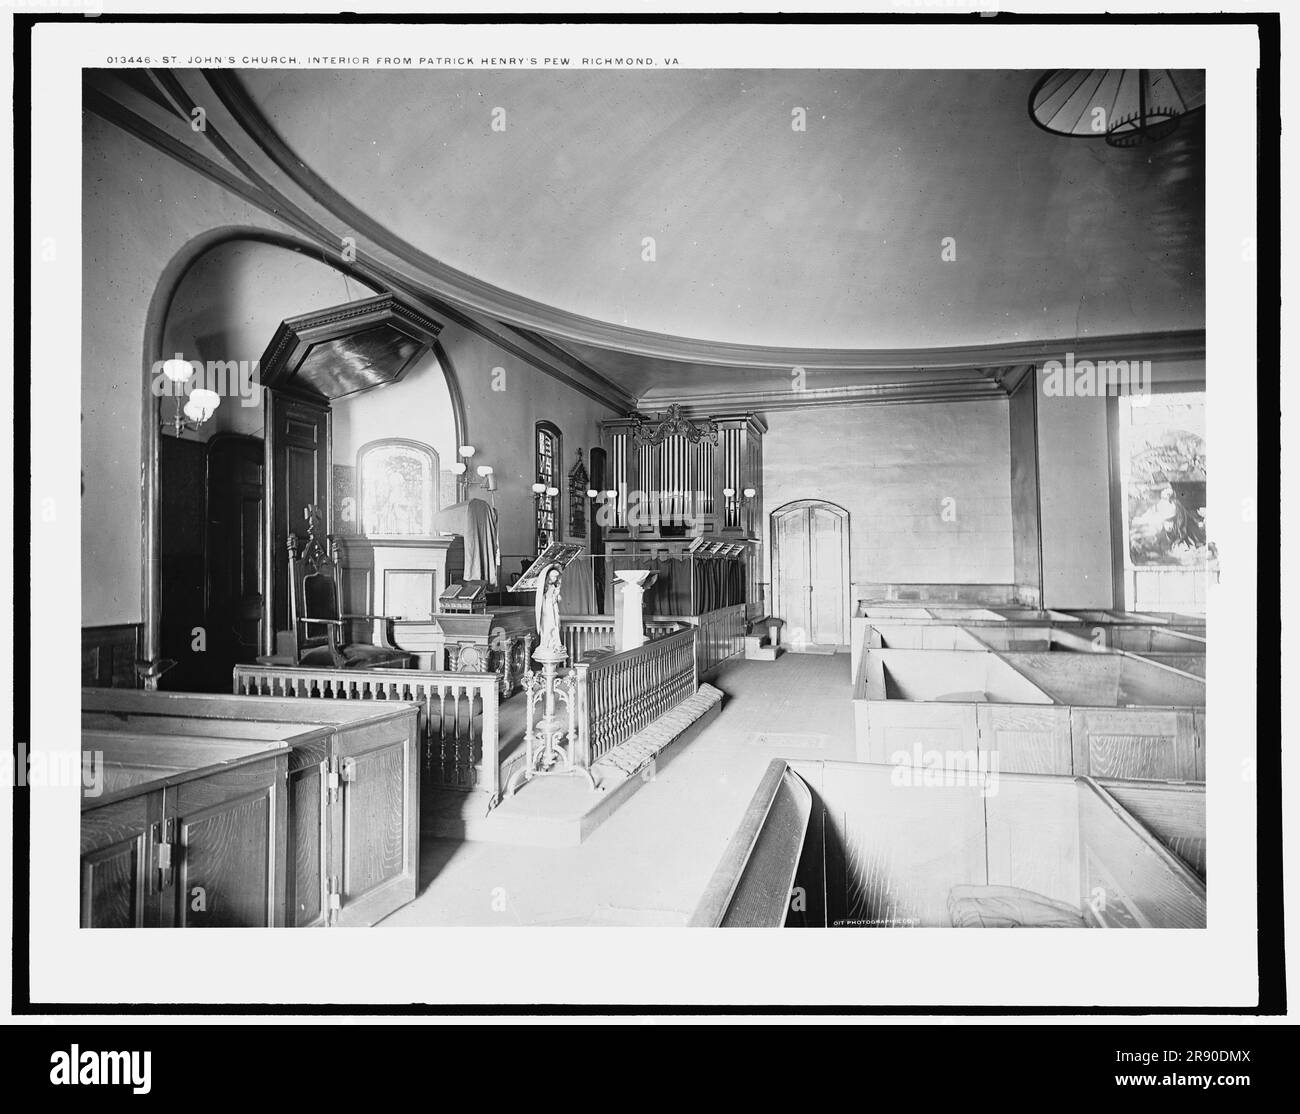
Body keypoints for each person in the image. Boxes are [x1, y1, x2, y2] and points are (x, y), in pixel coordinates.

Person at [535, 563, 565, 656]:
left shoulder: (554, 586)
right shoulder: (545, 587)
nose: (555, 579)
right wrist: (553, 597)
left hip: (553, 608)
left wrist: (557, 596)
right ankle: (546, 644)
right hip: (547, 609)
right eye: (553, 577)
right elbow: (546, 599)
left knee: (556, 625)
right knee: (549, 626)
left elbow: (558, 599)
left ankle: (554, 644)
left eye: (556, 577)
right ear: (548, 576)